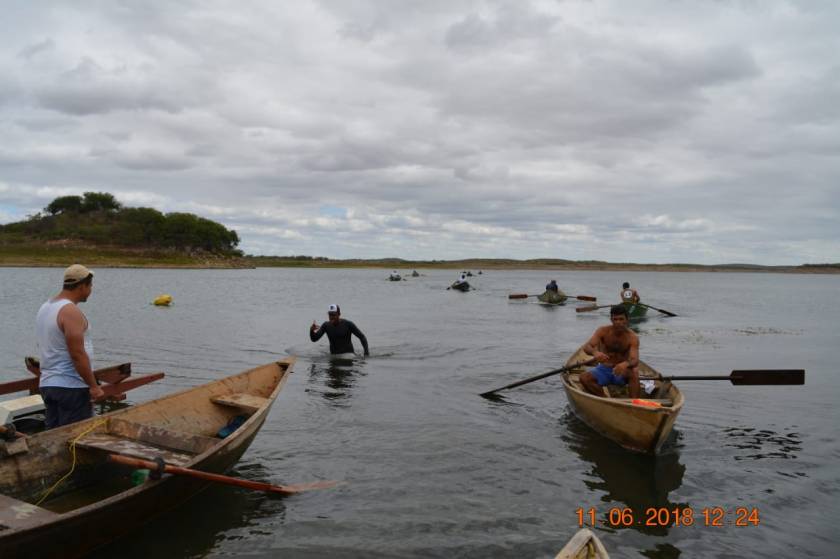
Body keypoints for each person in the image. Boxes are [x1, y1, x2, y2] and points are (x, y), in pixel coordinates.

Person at [33, 264, 105, 428]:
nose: (91, 290)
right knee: (74, 438)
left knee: (52, 437)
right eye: (90, 285)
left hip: (48, 384)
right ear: (81, 286)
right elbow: (77, 354)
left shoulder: (46, 307)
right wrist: (94, 386)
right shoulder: (70, 311)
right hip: (70, 386)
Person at [578, 305, 641, 398]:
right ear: (611, 320)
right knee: (584, 378)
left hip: (622, 371)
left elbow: (635, 360)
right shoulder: (603, 331)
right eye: (615, 319)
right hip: (604, 369)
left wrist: (625, 364)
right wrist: (595, 353)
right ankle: (604, 399)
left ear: (627, 320)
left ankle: (634, 405)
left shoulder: (632, 338)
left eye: (621, 319)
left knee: (634, 374)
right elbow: (587, 346)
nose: (618, 322)